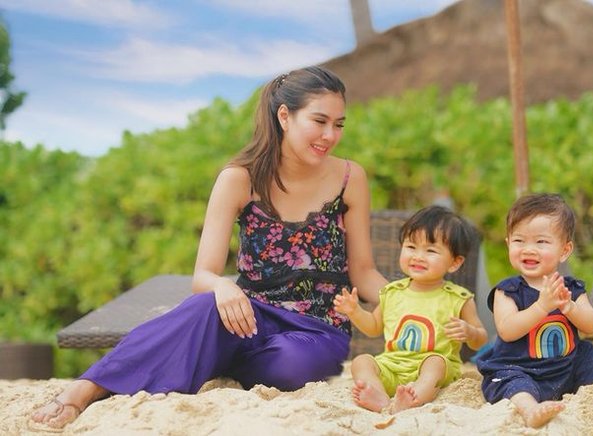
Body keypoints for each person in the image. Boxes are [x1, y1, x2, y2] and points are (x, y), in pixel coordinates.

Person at [31, 66, 388, 428]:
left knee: (295, 362)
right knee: (204, 306)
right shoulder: (239, 179)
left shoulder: (349, 178)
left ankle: (208, 359)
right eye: (320, 121)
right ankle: (86, 388)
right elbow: (203, 275)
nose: (330, 135)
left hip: (317, 328)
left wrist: (409, 297)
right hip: (250, 317)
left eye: (339, 124)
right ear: (285, 116)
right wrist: (222, 286)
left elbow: (363, 271)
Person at [333, 205, 488, 414]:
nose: (418, 256)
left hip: (434, 369)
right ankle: (379, 395)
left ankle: (415, 397)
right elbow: (374, 327)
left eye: (431, 250)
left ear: (454, 263)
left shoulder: (458, 298)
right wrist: (355, 311)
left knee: (434, 362)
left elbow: (481, 339)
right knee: (361, 362)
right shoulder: (392, 292)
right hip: (393, 364)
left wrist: (469, 332)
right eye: (411, 247)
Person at [476, 193, 593, 428]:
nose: (528, 249)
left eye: (541, 242)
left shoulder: (571, 289)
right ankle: (530, 408)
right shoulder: (507, 291)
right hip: (520, 369)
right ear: (508, 243)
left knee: (589, 353)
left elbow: (592, 325)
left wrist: (570, 307)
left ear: (564, 250)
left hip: (565, 368)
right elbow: (507, 330)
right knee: (507, 379)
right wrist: (541, 306)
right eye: (519, 241)